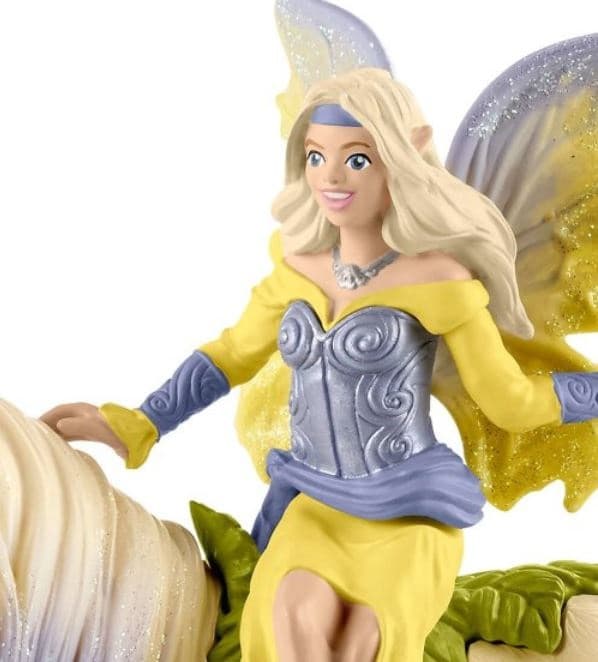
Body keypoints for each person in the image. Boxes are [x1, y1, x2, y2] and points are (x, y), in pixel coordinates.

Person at [41, 66, 598, 661]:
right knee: (290, 621)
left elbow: (509, 400)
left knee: (362, 643)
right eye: (315, 156)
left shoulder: (440, 279)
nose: (330, 177)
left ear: (405, 157)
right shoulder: (297, 269)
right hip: (312, 503)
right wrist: (140, 422)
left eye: (357, 159)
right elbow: (230, 356)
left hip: (409, 509)